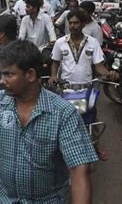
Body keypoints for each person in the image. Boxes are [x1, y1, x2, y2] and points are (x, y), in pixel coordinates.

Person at [0, 40, 99, 203]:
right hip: (2, 196)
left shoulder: (64, 114)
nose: (1, 81)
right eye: (1, 74)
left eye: (9, 74)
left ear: (30, 75)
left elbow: (79, 170)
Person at [49, 8, 118, 162]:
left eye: (76, 23)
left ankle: (97, 146)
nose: (73, 26)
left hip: (87, 89)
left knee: (91, 119)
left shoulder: (92, 43)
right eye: (71, 23)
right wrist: (53, 75)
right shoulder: (61, 43)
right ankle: (57, 148)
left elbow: (99, 66)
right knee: (63, 120)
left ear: (82, 24)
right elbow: (55, 62)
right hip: (65, 89)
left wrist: (109, 73)